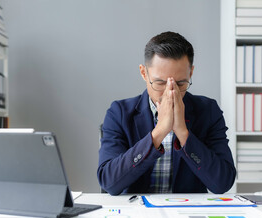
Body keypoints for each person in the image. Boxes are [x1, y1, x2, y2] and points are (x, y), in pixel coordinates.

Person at [98, 31, 236, 195]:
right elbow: (109, 182)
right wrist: (159, 132)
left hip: (187, 213)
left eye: (181, 83)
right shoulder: (119, 113)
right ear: (144, 73)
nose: (170, 91)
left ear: (190, 73)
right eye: (160, 83)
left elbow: (223, 183)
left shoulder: (208, 111)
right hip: (136, 212)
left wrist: (183, 133)